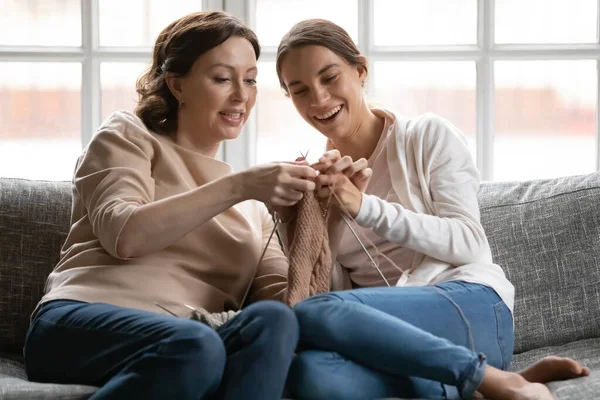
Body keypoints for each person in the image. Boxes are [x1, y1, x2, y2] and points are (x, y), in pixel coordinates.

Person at [275, 19, 590, 400]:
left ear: (360, 71)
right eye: (300, 90)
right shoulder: (317, 183)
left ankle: (491, 379)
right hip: (393, 342)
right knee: (309, 376)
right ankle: (487, 383)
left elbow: (470, 244)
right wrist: (328, 216)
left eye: (329, 78)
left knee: (311, 314)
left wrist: (363, 206)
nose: (319, 99)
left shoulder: (425, 137)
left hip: (470, 304)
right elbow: (337, 289)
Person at [23, 11, 316, 400]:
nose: (241, 96)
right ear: (178, 85)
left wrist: (316, 214)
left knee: (274, 322)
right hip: (78, 322)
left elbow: (290, 306)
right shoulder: (128, 136)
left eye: (250, 80)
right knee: (196, 346)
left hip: (193, 336)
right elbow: (124, 235)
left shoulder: (255, 210)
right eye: (222, 78)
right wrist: (240, 185)